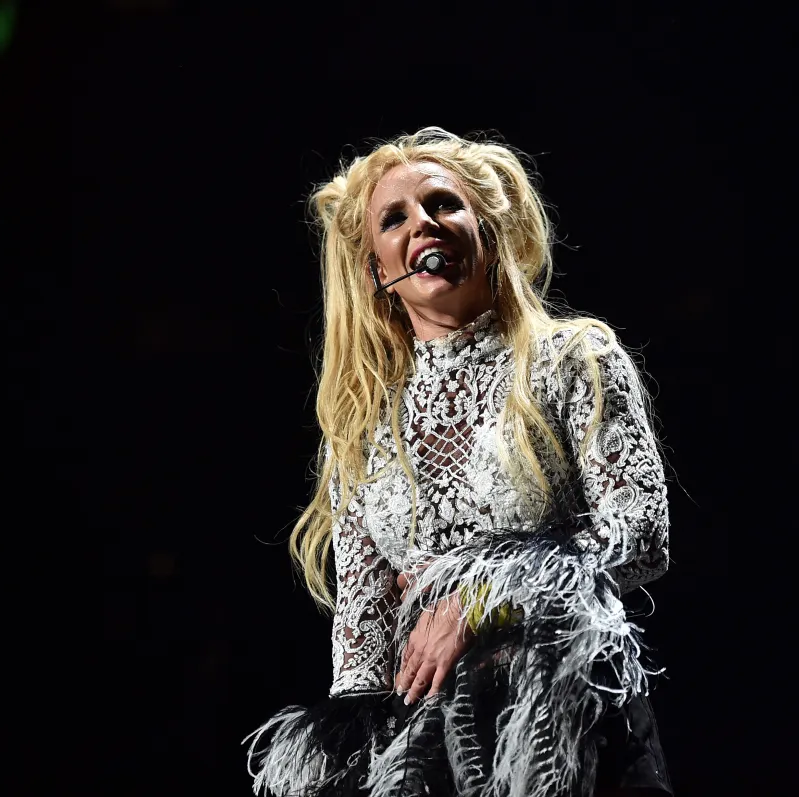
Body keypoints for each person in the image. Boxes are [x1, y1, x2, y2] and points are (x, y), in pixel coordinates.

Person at [244, 128, 673, 797]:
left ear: (488, 232)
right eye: (395, 218)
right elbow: (361, 629)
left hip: (567, 720)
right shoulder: (362, 425)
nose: (423, 223)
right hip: (432, 745)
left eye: (444, 204)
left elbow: (640, 532)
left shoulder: (573, 360)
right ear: (377, 271)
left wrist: (481, 600)